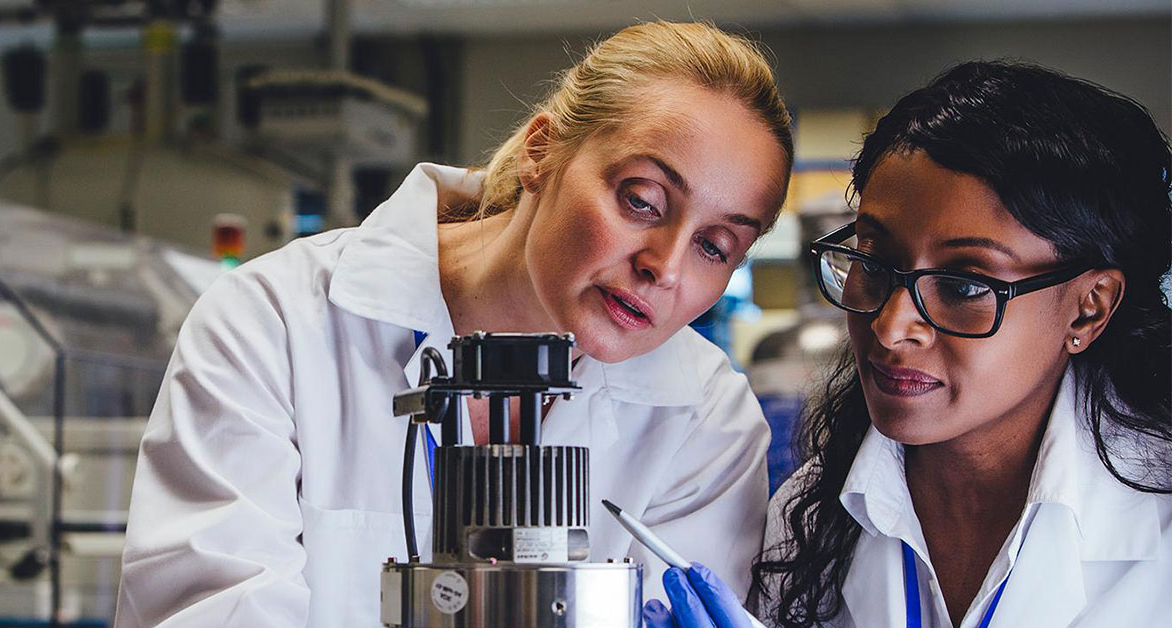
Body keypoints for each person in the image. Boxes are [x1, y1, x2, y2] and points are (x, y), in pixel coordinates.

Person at [115, 20, 795, 627]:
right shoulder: (279, 323)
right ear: (541, 153)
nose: (665, 267)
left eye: (715, 247)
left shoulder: (705, 420)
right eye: (641, 200)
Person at [644, 60, 1171, 628]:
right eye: (873, 262)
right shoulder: (809, 514)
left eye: (965, 284)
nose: (891, 327)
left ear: (1089, 307)